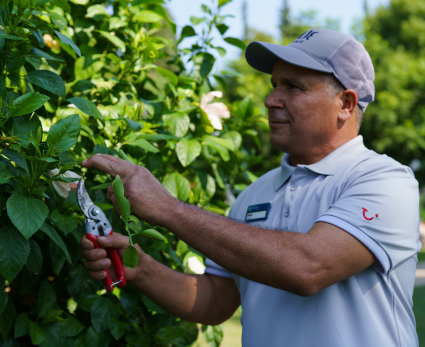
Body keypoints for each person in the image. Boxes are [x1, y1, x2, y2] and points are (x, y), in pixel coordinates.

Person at [80, 28, 421, 346]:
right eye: (274, 85)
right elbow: (215, 301)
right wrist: (140, 268)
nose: (271, 100)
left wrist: (168, 209)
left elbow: (309, 267)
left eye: (293, 87)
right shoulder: (254, 194)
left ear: (345, 104)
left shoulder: (386, 181)